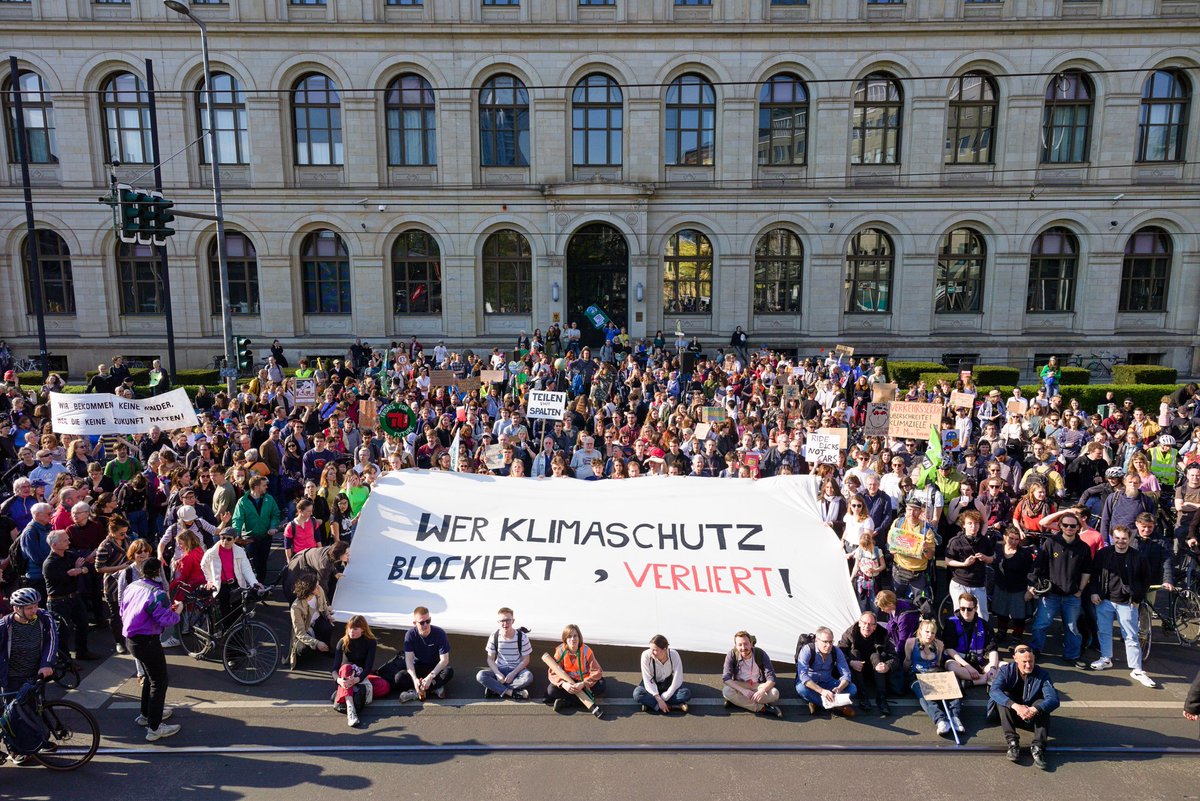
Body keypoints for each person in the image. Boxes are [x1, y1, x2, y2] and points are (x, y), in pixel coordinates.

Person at [120, 558, 182, 741]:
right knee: (159, 681)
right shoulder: (158, 593)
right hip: (148, 641)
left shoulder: (133, 586)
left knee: (149, 677)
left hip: (131, 639)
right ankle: (154, 728)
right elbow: (167, 620)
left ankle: (146, 715)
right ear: (158, 572)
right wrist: (177, 611)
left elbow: (123, 610)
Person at [1089, 525, 1156, 687]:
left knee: (1131, 636)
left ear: (1130, 539)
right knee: (1104, 631)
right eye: (1117, 538)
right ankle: (1106, 658)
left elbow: (1146, 579)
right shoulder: (1103, 554)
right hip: (1104, 599)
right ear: (1112, 538)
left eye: (1124, 538)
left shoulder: (1138, 557)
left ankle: (1137, 668)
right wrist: (1094, 592)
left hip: (1128, 602)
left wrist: (1138, 598)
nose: (1120, 541)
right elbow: (1094, 574)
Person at [1030, 511, 1092, 668]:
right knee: (1041, 625)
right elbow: (1038, 566)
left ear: (1078, 527)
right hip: (1051, 595)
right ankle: (1035, 651)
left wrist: (1080, 590)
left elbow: (1087, 571)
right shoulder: (1050, 543)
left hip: (1072, 596)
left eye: (1073, 525)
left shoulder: (1083, 547)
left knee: (1072, 628)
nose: (1069, 528)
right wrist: (1033, 585)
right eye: (1065, 525)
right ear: (1060, 526)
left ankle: (1072, 655)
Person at [989, 644, 1059, 769]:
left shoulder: (1042, 675)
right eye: (1024, 662)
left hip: (1030, 714)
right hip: (1011, 713)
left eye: (1031, 661)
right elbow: (994, 691)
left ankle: (1038, 747)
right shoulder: (1006, 670)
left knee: (1042, 703)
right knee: (1004, 697)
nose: (1028, 665)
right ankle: (1012, 742)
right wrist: (1015, 706)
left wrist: (1034, 709)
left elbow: (1053, 699)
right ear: (1015, 659)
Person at [43, 529, 98, 661]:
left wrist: (80, 569)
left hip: (74, 597)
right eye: (65, 540)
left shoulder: (70, 555)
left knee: (83, 624)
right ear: (54, 545)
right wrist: (77, 571)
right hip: (59, 601)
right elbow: (66, 579)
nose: (68, 542)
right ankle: (65, 660)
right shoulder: (50, 564)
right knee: (62, 632)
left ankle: (82, 652)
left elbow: (89, 567)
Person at [379, 606, 454, 702]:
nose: (426, 625)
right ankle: (433, 688)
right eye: (422, 622)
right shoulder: (410, 635)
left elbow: (444, 660)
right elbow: (409, 660)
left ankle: (416, 692)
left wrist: (430, 676)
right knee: (399, 677)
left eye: (428, 621)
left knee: (449, 671)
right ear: (415, 623)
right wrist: (414, 679)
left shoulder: (440, 633)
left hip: (435, 669)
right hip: (418, 667)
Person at [905, 618, 963, 736]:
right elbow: (907, 661)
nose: (930, 635)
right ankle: (940, 720)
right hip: (917, 676)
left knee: (953, 688)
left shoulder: (939, 644)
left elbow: (938, 664)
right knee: (925, 695)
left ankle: (954, 717)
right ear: (920, 631)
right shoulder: (911, 643)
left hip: (935, 674)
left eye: (932, 633)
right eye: (927, 632)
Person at [837, 612, 897, 716]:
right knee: (854, 653)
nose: (867, 626)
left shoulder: (882, 634)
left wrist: (887, 666)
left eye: (870, 624)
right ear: (859, 623)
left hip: (875, 668)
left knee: (875, 655)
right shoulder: (850, 633)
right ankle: (862, 695)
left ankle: (881, 697)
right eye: (864, 623)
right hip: (857, 667)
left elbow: (894, 657)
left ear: (875, 626)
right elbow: (839, 653)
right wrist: (850, 662)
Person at [200, 525, 263, 622]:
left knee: (238, 612)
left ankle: (237, 635)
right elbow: (203, 565)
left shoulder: (240, 551)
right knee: (225, 614)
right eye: (222, 538)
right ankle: (227, 634)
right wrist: (210, 580)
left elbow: (246, 569)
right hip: (221, 586)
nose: (225, 541)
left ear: (235, 539)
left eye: (228, 539)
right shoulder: (211, 552)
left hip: (236, 584)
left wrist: (254, 583)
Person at [332, 615, 384, 728]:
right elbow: (334, 669)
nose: (351, 631)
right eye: (350, 628)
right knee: (346, 668)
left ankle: (342, 695)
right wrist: (339, 680)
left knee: (384, 687)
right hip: (345, 677)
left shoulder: (370, 642)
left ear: (363, 629)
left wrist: (357, 679)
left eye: (355, 629)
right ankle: (351, 710)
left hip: (360, 676)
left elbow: (368, 667)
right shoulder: (342, 642)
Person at [229, 475, 282, 582]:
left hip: (265, 536)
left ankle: (261, 584)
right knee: (253, 562)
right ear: (256, 487)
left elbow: (275, 514)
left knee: (262, 562)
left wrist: (272, 527)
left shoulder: (269, 499)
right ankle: (253, 584)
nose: (266, 487)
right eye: (264, 485)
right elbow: (238, 519)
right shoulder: (242, 501)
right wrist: (236, 534)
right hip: (250, 538)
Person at [944, 509, 994, 619]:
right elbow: (947, 561)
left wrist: (985, 558)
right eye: (970, 523)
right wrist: (964, 564)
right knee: (961, 614)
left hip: (978, 584)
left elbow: (991, 559)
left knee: (982, 615)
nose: (973, 526)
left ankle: (981, 635)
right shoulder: (955, 541)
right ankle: (961, 635)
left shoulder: (985, 541)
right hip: (959, 583)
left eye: (976, 523)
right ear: (964, 526)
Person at [796, 626, 857, 718]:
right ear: (817, 640)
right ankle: (837, 707)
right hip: (811, 684)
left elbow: (846, 674)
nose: (828, 645)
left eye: (830, 642)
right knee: (801, 688)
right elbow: (803, 676)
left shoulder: (836, 651)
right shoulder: (807, 650)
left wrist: (840, 688)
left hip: (828, 682)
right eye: (825, 642)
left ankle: (817, 702)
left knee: (852, 688)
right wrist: (821, 691)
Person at [545, 623, 605, 713]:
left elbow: (597, 671)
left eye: (575, 636)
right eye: (569, 636)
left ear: (579, 637)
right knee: (551, 691)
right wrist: (563, 684)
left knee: (601, 684)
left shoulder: (586, 650)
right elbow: (553, 672)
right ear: (565, 639)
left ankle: (566, 702)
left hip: (583, 681)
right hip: (569, 682)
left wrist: (583, 684)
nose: (573, 639)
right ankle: (581, 701)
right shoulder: (560, 651)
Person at [943, 593, 1001, 687]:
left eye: (969, 609)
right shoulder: (951, 623)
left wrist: (993, 668)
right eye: (962, 608)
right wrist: (968, 667)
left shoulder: (984, 624)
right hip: (960, 662)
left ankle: (971, 682)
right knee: (951, 666)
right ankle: (985, 679)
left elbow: (992, 648)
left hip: (979, 662)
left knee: (1005, 666)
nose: (966, 612)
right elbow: (949, 648)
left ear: (975, 608)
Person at [477, 606, 533, 700]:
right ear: (498, 622)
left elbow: (526, 660)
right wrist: (497, 673)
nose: (505, 623)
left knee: (528, 677)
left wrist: (513, 673)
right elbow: (490, 659)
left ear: (513, 621)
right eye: (502, 621)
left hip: (517, 669)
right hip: (500, 669)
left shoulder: (522, 637)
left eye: (508, 620)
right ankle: (510, 692)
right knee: (481, 675)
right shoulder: (494, 636)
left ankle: (495, 689)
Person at [887, 497, 937, 601]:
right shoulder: (898, 523)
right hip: (899, 570)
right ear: (906, 509)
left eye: (915, 510)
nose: (912, 513)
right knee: (896, 600)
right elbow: (890, 543)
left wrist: (925, 548)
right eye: (909, 509)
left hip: (918, 573)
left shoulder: (926, 529)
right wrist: (893, 548)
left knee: (920, 602)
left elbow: (930, 555)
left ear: (920, 511)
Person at [634, 634, 692, 714]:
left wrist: (665, 697)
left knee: (685, 694)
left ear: (665, 649)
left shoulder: (674, 655)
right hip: (652, 682)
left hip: (668, 683)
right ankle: (672, 706)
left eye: (655, 650)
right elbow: (647, 679)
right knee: (637, 694)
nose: (652, 652)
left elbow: (678, 678)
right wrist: (658, 698)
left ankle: (653, 705)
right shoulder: (646, 655)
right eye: (651, 649)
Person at [288, 575, 334, 669]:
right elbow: (300, 633)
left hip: (317, 620)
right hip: (306, 627)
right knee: (303, 650)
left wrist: (327, 615)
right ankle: (315, 648)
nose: (319, 587)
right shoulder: (296, 607)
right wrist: (316, 643)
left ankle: (326, 648)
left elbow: (324, 606)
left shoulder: (319, 590)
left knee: (327, 628)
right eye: (316, 586)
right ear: (309, 589)